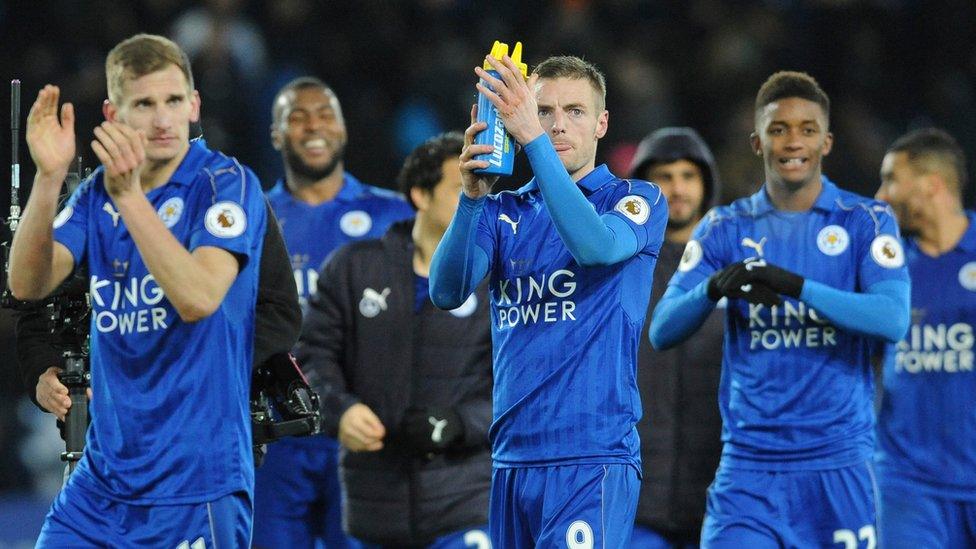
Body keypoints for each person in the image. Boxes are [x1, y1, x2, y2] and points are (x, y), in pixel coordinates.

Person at [9, 34, 266, 546]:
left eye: (173, 101)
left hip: (198, 487)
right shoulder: (94, 195)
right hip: (103, 484)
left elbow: (198, 298)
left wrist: (131, 199)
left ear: (194, 104)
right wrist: (46, 178)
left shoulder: (225, 184)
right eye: (144, 104)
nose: (163, 119)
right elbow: (27, 281)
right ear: (113, 112)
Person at [648, 71, 910, 548]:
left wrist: (795, 286)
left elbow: (892, 320)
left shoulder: (865, 221)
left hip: (837, 465)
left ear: (826, 141)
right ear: (756, 142)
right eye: (778, 129)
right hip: (749, 469)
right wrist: (712, 287)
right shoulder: (723, 227)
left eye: (807, 129)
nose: (793, 142)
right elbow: (662, 330)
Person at [429, 55, 668, 547]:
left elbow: (597, 248)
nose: (559, 125)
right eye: (543, 111)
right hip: (512, 460)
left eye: (576, 111)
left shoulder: (634, 200)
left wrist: (533, 142)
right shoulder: (502, 212)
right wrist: (471, 198)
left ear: (602, 122)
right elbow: (446, 292)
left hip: (591, 458)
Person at [296, 132, 493, 547]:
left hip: (466, 504)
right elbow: (312, 355)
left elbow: (517, 384)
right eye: (461, 188)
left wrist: (460, 423)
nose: (477, 199)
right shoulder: (354, 269)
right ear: (421, 195)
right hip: (374, 510)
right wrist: (340, 411)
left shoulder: (496, 278)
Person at [253, 76, 414, 549]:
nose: (313, 126)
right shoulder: (250, 218)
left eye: (325, 115)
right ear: (276, 135)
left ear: (343, 129)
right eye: (297, 117)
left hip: (367, 432)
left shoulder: (395, 216)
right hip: (277, 437)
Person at [874, 128, 976, 549]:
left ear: (932, 184)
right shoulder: (885, 267)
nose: (881, 196)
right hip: (907, 485)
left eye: (892, 179)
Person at [627, 127, 724, 548]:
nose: (677, 188)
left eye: (688, 175)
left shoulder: (736, 264)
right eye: (664, 177)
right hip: (638, 498)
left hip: (721, 497)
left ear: (706, 185)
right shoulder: (621, 268)